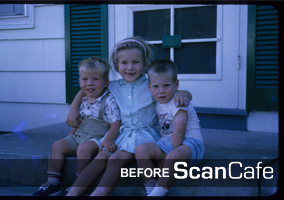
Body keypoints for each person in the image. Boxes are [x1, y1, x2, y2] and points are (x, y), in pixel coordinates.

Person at [65, 37, 192, 196]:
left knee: (115, 159)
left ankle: (97, 194)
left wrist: (182, 93)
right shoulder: (113, 86)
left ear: (144, 64)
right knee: (101, 156)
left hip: (144, 136)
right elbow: (87, 88)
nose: (129, 68)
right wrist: (73, 107)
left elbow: (175, 90)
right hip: (121, 134)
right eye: (124, 63)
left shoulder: (152, 85)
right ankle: (73, 194)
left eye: (135, 62)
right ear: (117, 66)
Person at [33, 57, 121, 196]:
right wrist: (70, 136)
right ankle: (52, 183)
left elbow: (115, 123)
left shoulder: (108, 100)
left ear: (105, 83)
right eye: (85, 79)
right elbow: (78, 123)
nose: (90, 84)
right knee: (57, 145)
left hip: (96, 138)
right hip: (79, 135)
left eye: (95, 79)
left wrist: (108, 140)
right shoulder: (82, 99)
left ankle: (81, 182)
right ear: (79, 82)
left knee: (83, 149)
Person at [135, 59, 204, 196]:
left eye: (166, 85)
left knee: (173, 156)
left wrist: (165, 157)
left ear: (176, 84)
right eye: (156, 86)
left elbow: (179, 131)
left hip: (190, 144)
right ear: (149, 87)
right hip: (167, 142)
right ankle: (150, 189)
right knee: (140, 150)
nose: (161, 91)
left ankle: (156, 195)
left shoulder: (179, 102)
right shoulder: (157, 101)